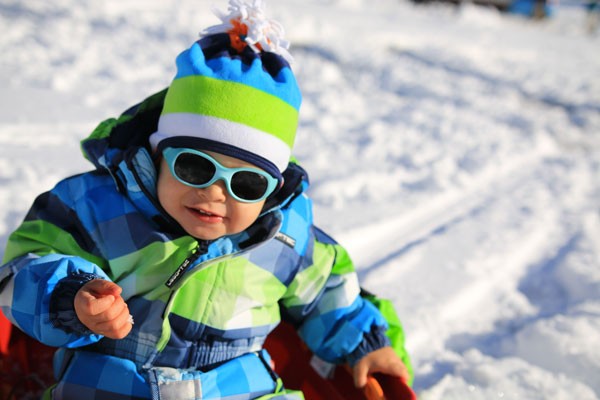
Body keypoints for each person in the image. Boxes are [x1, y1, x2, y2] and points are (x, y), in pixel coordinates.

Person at [0, 1, 411, 399]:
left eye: (247, 184)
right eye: (195, 168)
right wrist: (71, 296)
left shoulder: (286, 235)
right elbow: (23, 268)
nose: (215, 193)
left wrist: (366, 345)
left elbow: (328, 294)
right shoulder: (95, 206)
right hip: (111, 384)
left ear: (271, 189)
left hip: (239, 388)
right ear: (157, 156)